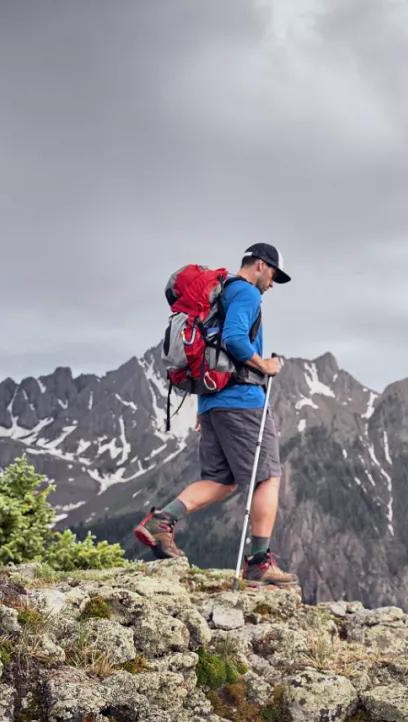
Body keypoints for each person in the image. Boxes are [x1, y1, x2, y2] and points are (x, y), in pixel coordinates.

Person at [134, 243, 297, 586]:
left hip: (213, 402)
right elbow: (235, 339)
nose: (272, 285)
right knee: (266, 475)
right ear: (259, 265)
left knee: (222, 480)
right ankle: (258, 563)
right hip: (241, 401)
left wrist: (205, 407)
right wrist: (263, 364)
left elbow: (211, 350)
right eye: (273, 276)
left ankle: (161, 521)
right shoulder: (247, 294)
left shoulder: (219, 294)